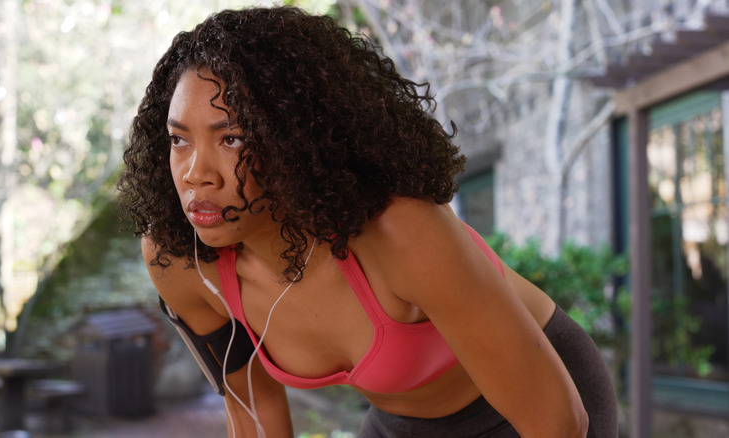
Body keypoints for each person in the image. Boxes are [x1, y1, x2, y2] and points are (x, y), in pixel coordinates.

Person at [117, 6, 617, 438]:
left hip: (545, 398)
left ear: (296, 140)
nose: (195, 174)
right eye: (179, 140)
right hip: (405, 422)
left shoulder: (399, 231)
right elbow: (253, 411)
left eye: (232, 139)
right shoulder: (181, 261)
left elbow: (558, 421)